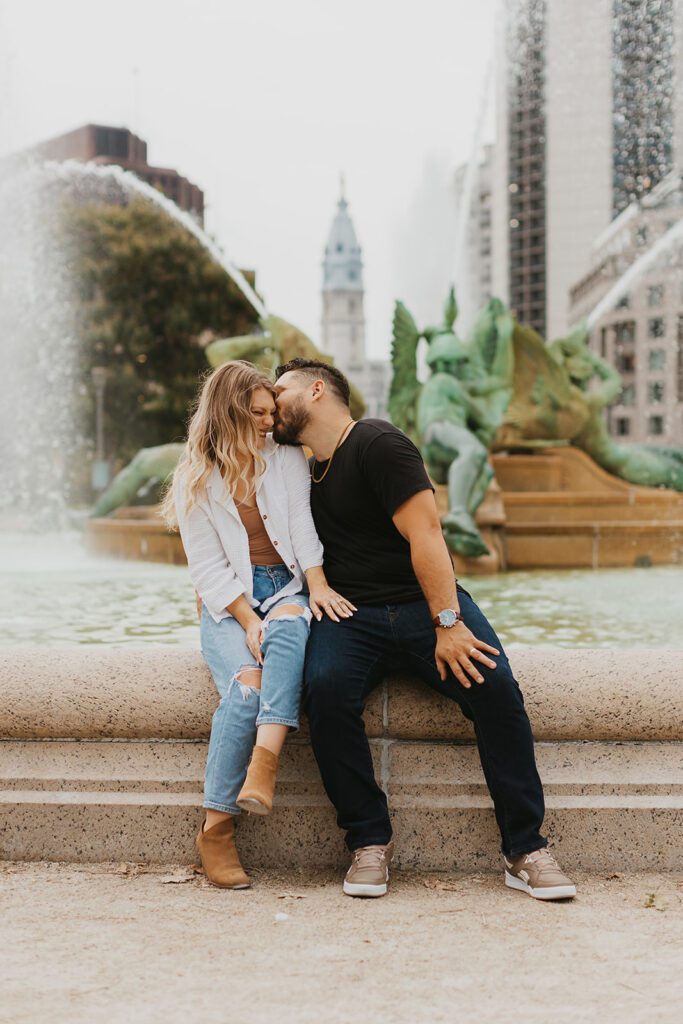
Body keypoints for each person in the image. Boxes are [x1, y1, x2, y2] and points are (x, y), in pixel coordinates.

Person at [272, 357, 576, 902]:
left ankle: (525, 848)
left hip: (424, 604)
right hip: (350, 614)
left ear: (317, 390)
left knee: (498, 692)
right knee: (323, 694)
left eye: (281, 389)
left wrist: (448, 622)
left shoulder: (377, 442)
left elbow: (428, 534)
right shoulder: (296, 466)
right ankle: (368, 840)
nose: (272, 401)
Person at [163, 360, 355, 889]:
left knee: (291, 627)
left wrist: (316, 584)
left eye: (271, 412)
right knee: (244, 691)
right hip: (230, 602)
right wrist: (247, 619)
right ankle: (217, 828)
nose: (270, 423)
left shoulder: (287, 459)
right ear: (228, 414)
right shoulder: (195, 478)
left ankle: (264, 763)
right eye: (258, 414)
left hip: (286, 586)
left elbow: (300, 526)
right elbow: (205, 568)